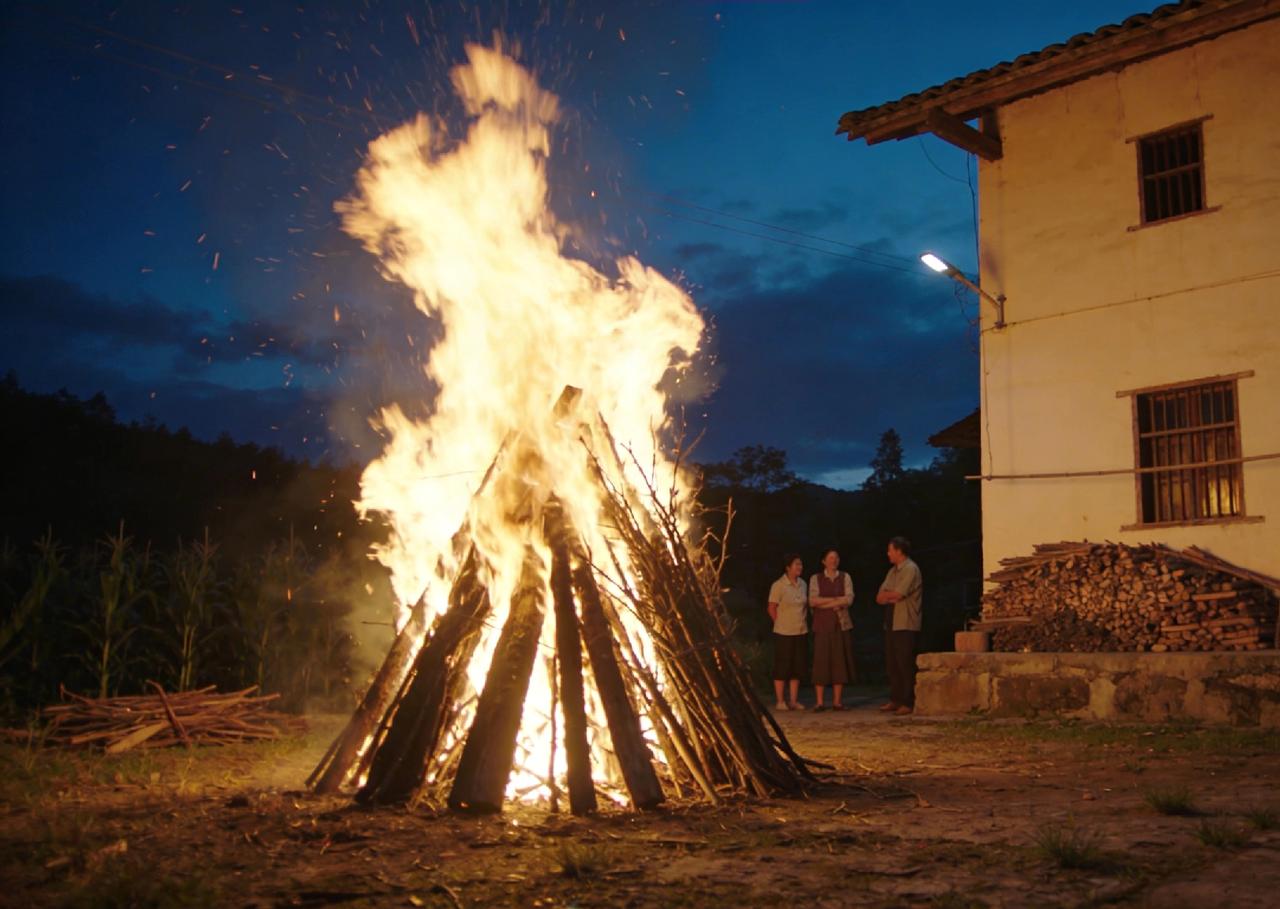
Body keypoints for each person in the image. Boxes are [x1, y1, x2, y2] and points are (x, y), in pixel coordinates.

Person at [875, 536, 922, 716]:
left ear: (899, 551)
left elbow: (900, 594)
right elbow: (879, 596)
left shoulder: (910, 569)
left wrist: (890, 595)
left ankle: (907, 701)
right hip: (892, 623)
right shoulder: (892, 572)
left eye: (890, 550)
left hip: (906, 623)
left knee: (905, 663)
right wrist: (889, 595)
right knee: (892, 663)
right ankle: (895, 699)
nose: (888, 553)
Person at [808, 548, 856, 711]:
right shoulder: (816, 578)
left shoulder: (845, 577)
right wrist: (835, 601)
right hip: (821, 624)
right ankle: (820, 702)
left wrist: (826, 603)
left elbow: (849, 599)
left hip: (840, 624)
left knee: (839, 661)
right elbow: (813, 601)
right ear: (823, 561)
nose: (833, 561)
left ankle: (837, 701)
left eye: (836, 558)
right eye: (830, 558)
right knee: (821, 661)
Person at [767, 553, 808, 711]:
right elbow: (771, 607)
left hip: (800, 630)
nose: (799, 567)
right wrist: (780, 623)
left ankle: (793, 700)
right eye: (796, 564)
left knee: (797, 667)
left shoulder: (803, 584)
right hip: (784, 632)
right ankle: (780, 700)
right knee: (782, 666)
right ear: (788, 567)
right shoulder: (779, 585)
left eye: (801, 565)